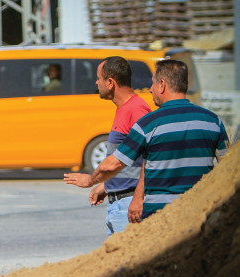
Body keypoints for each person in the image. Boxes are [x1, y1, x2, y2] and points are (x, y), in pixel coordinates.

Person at [64, 59, 228, 222]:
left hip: (160, 216)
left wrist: (91, 180)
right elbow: (227, 167)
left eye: (153, 84)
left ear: (162, 85)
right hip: (200, 210)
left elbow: (114, 164)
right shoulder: (213, 121)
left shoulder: (148, 124)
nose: (150, 89)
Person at [65, 56, 151, 234]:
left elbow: (148, 159)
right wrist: (106, 187)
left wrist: (90, 180)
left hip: (129, 204)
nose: (96, 82)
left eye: (99, 78)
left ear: (110, 82)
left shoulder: (136, 110)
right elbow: (129, 161)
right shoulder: (125, 109)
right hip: (119, 201)